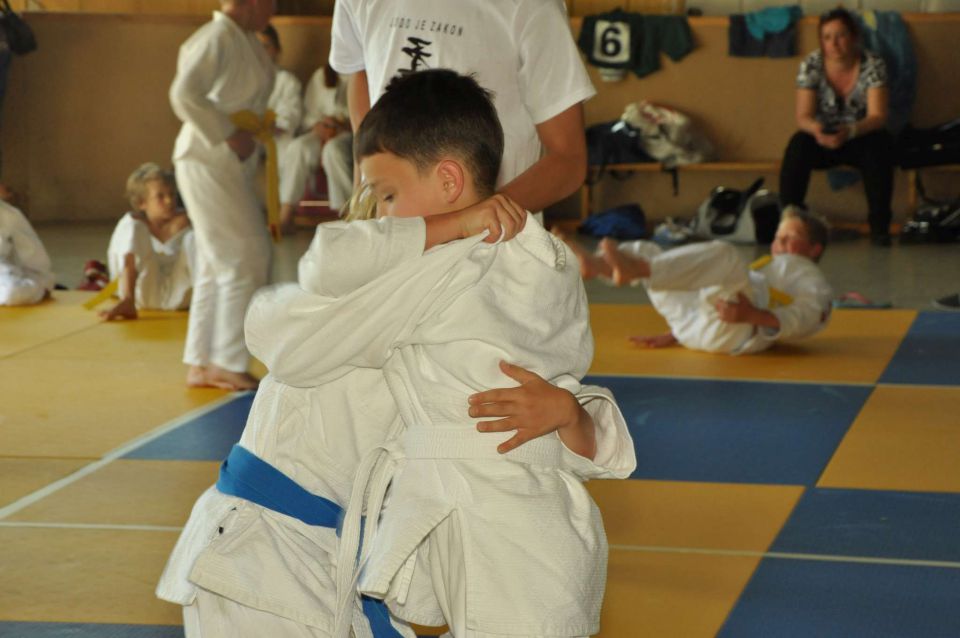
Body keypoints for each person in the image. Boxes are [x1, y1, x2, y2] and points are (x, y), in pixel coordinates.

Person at [156, 74, 633, 637]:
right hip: (262, 552)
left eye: (387, 195)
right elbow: (278, 334)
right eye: (377, 198)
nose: (383, 213)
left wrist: (569, 413)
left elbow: (538, 404)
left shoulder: (487, 274)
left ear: (449, 178)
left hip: (339, 557)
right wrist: (453, 225)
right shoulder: (397, 267)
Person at [329, 0, 595, 220]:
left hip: (492, 257)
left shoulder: (531, 6)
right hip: (389, 238)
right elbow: (360, 72)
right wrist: (365, 193)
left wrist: (469, 224)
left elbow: (568, 158)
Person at [169, 0, 275, 391]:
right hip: (207, 157)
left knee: (219, 263)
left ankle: (203, 361)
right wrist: (228, 133)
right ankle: (226, 359)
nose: (274, 9)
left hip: (221, 161)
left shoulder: (241, 38)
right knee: (243, 255)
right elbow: (183, 94)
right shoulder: (216, 37)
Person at [566, 206, 833, 355]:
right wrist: (676, 335)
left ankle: (635, 270)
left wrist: (754, 315)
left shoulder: (808, 273)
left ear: (814, 249)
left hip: (737, 328)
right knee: (648, 251)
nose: (780, 242)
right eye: (779, 236)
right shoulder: (767, 268)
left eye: (791, 236)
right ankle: (598, 265)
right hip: (694, 326)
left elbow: (813, 314)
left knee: (726, 256)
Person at [779, 7, 895, 246]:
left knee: (881, 147)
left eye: (841, 35)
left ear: (853, 37)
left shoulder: (873, 64)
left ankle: (879, 226)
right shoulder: (811, 64)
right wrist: (818, 131)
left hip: (860, 134)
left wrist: (850, 131)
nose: (834, 43)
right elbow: (803, 116)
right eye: (827, 37)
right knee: (797, 146)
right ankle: (789, 222)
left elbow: (878, 116)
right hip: (822, 135)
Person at [100, 163, 194, 321]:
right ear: (141, 203)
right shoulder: (133, 225)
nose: (169, 201)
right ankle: (127, 301)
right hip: (142, 294)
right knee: (131, 225)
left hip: (183, 295)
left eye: (172, 194)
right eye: (160, 196)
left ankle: (213, 302)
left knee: (196, 237)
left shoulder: (188, 220)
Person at [277, 63, 353, 228]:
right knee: (298, 147)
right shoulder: (321, 75)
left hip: (350, 134)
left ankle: (348, 215)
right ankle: (286, 213)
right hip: (320, 132)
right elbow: (309, 115)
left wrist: (343, 126)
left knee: (333, 150)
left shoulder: (362, 73)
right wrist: (318, 126)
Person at [257, 24, 303, 174]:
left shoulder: (287, 81)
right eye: (258, 47)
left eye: (266, 46)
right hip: (248, 137)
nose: (261, 52)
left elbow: (291, 113)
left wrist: (274, 126)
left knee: (292, 150)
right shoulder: (241, 80)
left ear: (277, 50)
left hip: (277, 138)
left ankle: (285, 198)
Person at [0, 199, 54, 306]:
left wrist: (43, 283)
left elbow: (35, 258)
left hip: (4, 276)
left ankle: (37, 288)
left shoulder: (9, 215)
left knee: (13, 293)